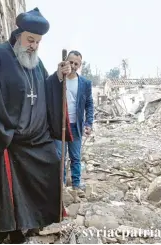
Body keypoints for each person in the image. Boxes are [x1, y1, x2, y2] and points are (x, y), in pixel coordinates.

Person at [0, 7, 73, 244]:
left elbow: (42, 91)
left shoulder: (36, 64)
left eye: (38, 42)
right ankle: (10, 230)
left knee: (52, 162)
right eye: (30, 40)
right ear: (18, 34)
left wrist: (57, 77)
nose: (33, 46)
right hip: (6, 137)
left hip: (34, 138)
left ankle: (33, 222)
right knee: (6, 192)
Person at [54, 50, 94, 196]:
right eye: (71, 62)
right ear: (66, 61)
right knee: (60, 157)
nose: (73, 65)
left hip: (76, 126)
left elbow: (89, 104)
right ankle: (62, 185)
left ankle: (76, 184)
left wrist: (88, 123)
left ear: (80, 65)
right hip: (60, 126)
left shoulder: (85, 83)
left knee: (75, 157)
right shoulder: (58, 80)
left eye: (76, 63)